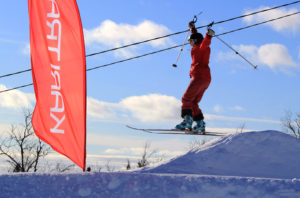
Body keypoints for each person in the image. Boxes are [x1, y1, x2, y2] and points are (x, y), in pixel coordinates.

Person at [175, 21, 215, 133]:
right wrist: (193, 28)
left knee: (186, 99)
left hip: (199, 77)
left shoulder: (202, 48)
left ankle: (187, 121)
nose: (190, 43)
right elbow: (198, 38)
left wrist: (209, 35)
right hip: (206, 79)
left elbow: (205, 43)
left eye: (191, 41)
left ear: (196, 41)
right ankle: (200, 124)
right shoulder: (197, 47)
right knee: (193, 103)